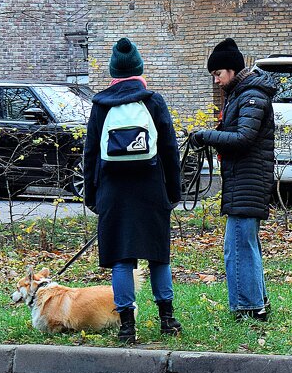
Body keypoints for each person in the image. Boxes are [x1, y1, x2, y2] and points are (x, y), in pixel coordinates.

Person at [84, 37, 183, 343]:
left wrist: (92, 195)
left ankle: (127, 325)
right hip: (151, 189)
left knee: (122, 260)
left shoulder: (100, 105)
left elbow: (90, 154)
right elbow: (169, 149)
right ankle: (167, 319)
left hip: (114, 192)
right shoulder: (153, 102)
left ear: (113, 72)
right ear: (139, 69)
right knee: (158, 257)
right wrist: (173, 192)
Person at [189, 38, 276, 321]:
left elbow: (244, 138)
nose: (215, 81)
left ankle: (248, 308)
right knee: (243, 246)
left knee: (238, 248)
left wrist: (206, 135)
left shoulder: (252, 95)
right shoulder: (242, 94)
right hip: (244, 181)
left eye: (217, 74)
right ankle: (257, 303)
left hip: (248, 182)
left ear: (231, 70)